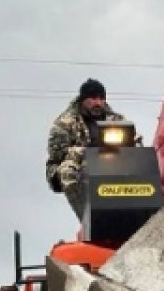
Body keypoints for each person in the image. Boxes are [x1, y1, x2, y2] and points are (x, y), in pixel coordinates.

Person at [45, 78, 125, 219]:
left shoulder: (115, 119)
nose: (98, 103)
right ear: (83, 100)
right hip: (76, 165)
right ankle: (88, 221)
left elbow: (135, 142)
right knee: (68, 171)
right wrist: (88, 152)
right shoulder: (65, 122)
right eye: (93, 98)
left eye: (101, 98)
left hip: (111, 161)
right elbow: (58, 154)